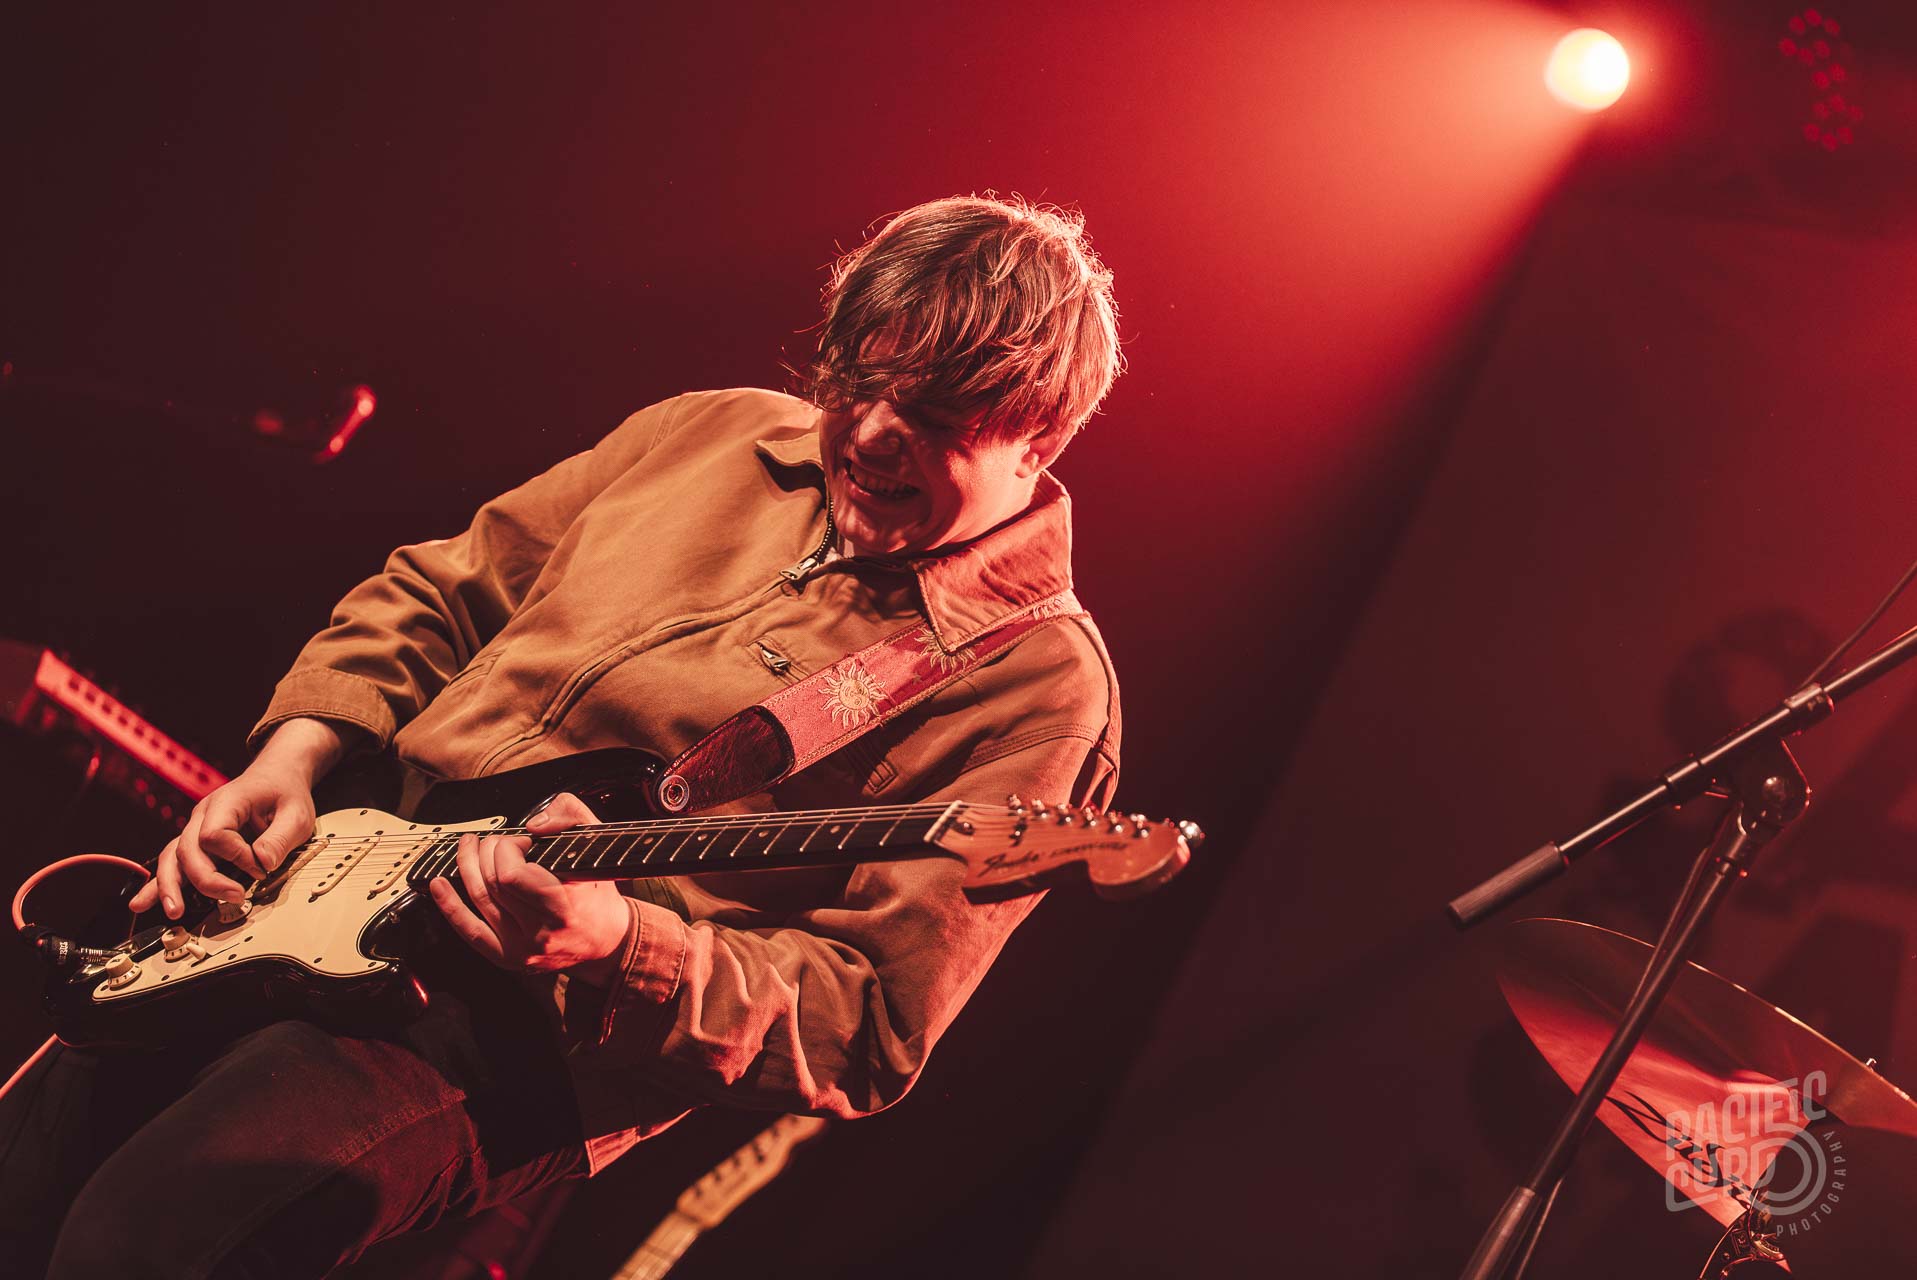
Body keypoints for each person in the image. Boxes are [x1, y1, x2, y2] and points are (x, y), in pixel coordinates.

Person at [0, 194, 1123, 1278]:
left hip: (509, 1036)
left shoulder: (1037, 684)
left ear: (1038, 438)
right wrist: (294, 752)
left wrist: (619, 943)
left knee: (140, 1240)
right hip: (317, 873)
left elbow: (865, 1023)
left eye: (933, 417)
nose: (871, 431)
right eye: (861, 383)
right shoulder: (712, 430)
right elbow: (441, 591)